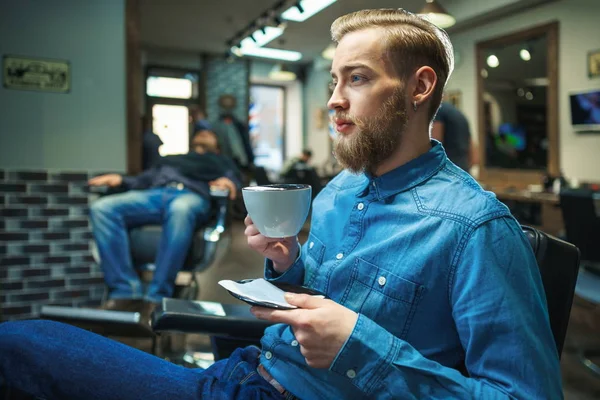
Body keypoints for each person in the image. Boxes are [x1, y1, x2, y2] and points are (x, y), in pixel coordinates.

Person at [0, 9, 562, 399]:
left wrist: (359, 348)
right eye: (334, 80)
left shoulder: (477, 230)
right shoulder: (341, 190)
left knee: (20, 347)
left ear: (419, 89)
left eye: (358, 79)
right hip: (246, 372)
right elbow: (316, 298)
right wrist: (288, 263)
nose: (335, 100)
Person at [86, 127, 239, 315]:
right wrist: (121, 179)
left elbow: (233, 180)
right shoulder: (172, 159)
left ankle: (157, 297)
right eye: (200, 132)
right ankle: (124, 292)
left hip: (191, 195)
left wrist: (228, 183)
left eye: (210, 133)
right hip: (155, 194)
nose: (203, 133)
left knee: (180, 209)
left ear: (218, 145)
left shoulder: (222, 161)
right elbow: (145, 179)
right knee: (102, 208)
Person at [431, 99, 477, 172]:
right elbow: (474, 158)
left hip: (447, 172)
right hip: (463, 171)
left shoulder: (438, 111)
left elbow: (435, 143)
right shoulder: (460, 114)